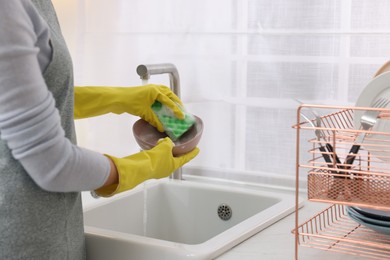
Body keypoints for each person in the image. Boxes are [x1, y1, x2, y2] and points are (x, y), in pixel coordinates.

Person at [0, 0, 199, 259]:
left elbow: (28, 100)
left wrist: (121, 98)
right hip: (22, 239)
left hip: (56, 231)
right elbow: (52, 165)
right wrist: (140, 167)